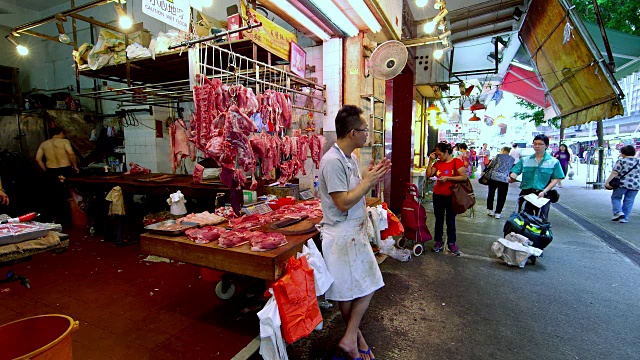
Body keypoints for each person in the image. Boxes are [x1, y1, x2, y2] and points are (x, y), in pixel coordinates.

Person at [318, 105, 391, 360]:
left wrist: (369, 177)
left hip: (352, 233)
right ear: (352, 133)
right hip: (341, 236)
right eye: (364, 130)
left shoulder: (349, 158)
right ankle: (352, 338)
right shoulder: (332, 161)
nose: (367, 134)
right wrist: (367, 182)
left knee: (353, 291)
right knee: (366, 285)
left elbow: (355, 191)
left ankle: (353, 337)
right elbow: (343, 202)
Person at [425, 142, 468, 255]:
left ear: (446, 152)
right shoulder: (438, 163)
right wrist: (431, 161)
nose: (438, 157)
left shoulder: (456, 162)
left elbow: (464, 177)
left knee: (450, 220)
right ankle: (438, 241)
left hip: (451, 196)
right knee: (438, 220)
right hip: (438, 195)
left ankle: (451, 243)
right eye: (437, 155)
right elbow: (429, 175)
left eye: (440, 154)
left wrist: (448, 178)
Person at [509, 135, 565, 221]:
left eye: (540, 144)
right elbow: (514, 172)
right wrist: (513, 177)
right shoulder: (525, 160)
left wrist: (544, 191)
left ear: (546, 146)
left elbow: (556, 179)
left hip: (543, 195)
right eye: (535, 144)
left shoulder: (553, 162)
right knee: (523, 220)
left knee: (541, 221)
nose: (537, 146)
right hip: (526, 194)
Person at [35, 128, 79, 223]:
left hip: (51, 171)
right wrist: (75, 166)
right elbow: (71, 153)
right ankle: (70, 218)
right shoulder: (64, 141)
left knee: (55, 195)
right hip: (65, 169)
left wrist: (46, 170)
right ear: (61, 133)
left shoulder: (44, 144)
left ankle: (57, 218)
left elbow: (38, 159)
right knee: (69, 193)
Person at [605, 145, 639, 224]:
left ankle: (618, 212)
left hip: (622, 184)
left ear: (623, 154)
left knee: (616, 198)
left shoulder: (621, 161)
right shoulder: (638, 161)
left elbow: (615, 172)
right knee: (629, 201)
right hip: (635, 185)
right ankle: (624, 218)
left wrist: (607, 182)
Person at [485, 147, 515, 219]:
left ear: (503, 150)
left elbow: (490, 165)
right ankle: (498, 213)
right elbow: (511, 169)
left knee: (491, 194)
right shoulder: (512, 159)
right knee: (502, 196)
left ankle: (490, 210)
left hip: (494, 178)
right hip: (504, 179)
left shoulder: (498, 156)